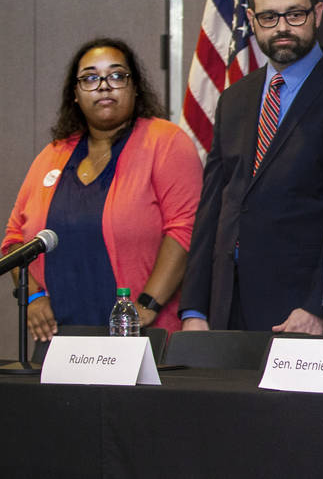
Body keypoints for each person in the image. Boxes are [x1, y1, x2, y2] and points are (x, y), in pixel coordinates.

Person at [180, 0, 323, 333]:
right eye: (270, 17)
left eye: (295, 14)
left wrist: (320, 304)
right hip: (228, 305)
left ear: (317, 14)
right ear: (251, 20)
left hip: (301, 311)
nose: (283, 28)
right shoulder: (234, 99)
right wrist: (194, 309)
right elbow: (213, 207)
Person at [4, 38, 201, 340]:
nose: (104, 86)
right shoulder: (53, 153)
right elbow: (15, 242)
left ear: (135, 87)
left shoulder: (165, 142)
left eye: (117, 75)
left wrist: (148, 303)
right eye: (90, 78)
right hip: (60, 337)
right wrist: (31, 297)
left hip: (140, 334)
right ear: (75, 94)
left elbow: (185, 228)